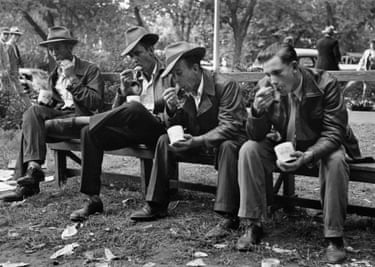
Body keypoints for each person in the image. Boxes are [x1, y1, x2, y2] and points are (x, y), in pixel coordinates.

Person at [236, 43, 361, 264]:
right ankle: (253, 224)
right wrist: (256, 112)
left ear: (294, 66)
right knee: (249, 149)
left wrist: (308, 155)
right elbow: (255, 135)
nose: (272, 80)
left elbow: (334, 133)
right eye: (267, 73)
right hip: (288, 144)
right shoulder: (266, 86)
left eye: (277, 72)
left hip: (321, 144)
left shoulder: (325, 83)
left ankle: (334, 236)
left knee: (336, 159)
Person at [130, 41, 247, 230]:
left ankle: (228, 216)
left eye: (178, 73)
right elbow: (174, 126)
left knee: (228, 146)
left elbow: (230, 127)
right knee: (164, 140)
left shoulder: (225, 86)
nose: (175, 80)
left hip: (227, 144)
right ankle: (156, 204)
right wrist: (172, 109)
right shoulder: (183, 91)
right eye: (173, 75)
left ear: (195, 68)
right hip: (199, 142)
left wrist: (197, 141)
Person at [69, 26, 170, 222]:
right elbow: (117, 113)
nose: (134, 60)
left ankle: (92, 121)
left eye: (138, 53)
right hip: (134, 130)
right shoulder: (136, 78)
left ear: (151, 50)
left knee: (135, 109)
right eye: (131, 56)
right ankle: (93, 199)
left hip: (159, 130)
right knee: (88, 132)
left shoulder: (168, 74)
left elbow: (176, 109)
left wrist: (137, 106)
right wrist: (121, 93)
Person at [1, 26, 104, 202]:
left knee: (30, 126)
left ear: (69, 47)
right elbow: (57, 103)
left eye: (57, 48)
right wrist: (46, 101)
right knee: (31, 114)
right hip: (61, 117)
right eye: (50, 49)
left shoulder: (89, 69)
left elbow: (95, 103)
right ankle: (34, 169)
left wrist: (72, 79)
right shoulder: (55, 73)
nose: (53, 52)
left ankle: (27, 186)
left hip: (82, 121)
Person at [6, 26, 31, 107]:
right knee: (17, 93)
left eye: (18, 35)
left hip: (16, 73)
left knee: (20, 92)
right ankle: (28, 107)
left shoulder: (14, 46)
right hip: (11, 74)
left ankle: (27, 107)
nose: (17, 37)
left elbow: (18, 60)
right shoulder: (8, 46)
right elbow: (6, 61)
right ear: (11, 35)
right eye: (15, 35)